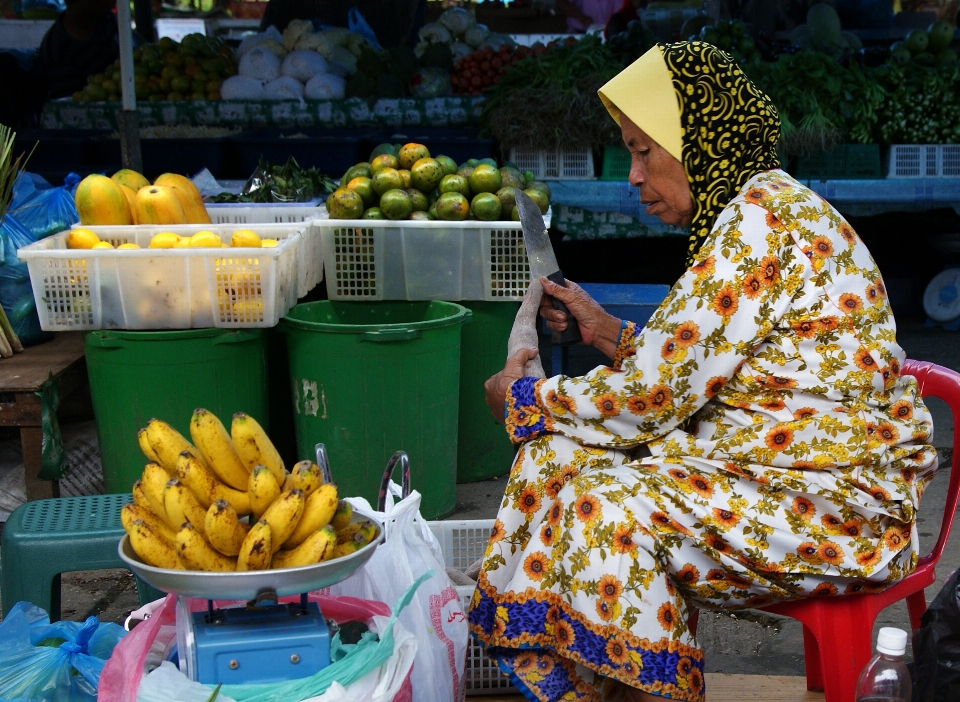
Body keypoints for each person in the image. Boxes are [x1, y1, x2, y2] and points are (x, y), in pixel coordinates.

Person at [471, 41, 937, 702]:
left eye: (643, 150)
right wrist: (603, 331)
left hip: (837, 509)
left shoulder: (756, 226)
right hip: (777, 467)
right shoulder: (757, 210)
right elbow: (702, 371)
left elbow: (653, 397)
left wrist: (522, 400)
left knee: (602, 504)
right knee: (560, 460)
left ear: (700, 139)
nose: (633, 175)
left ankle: (633, 687)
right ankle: (597, 684)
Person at [556, 0, 622, 33]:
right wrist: (581, 17)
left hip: (602, 36)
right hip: (577, 35)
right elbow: (560, 3)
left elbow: (619, 13)